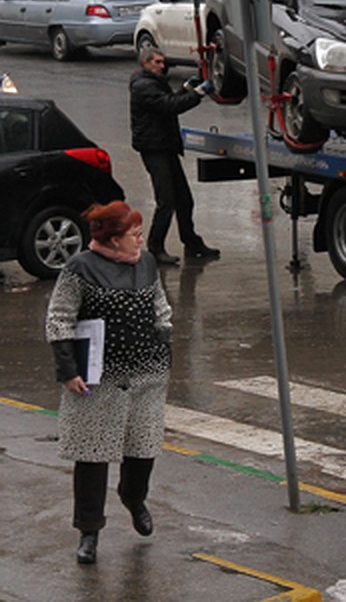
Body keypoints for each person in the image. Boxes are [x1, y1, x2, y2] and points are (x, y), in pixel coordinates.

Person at [45, 201, 172, 565]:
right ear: (114, 240)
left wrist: (164, 351)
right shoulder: (79, 269)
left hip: (146, 376)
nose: (141, 240)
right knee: (93, 458)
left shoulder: (146, 263)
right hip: (97, 381)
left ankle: (134, 498)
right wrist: (69, 371)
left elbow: (161, 310)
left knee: (143, 450)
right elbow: (59, 320)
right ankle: (89, 532)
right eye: (134, 235)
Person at [129, 46, 220, 265]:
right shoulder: (143, 86)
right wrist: (197, 94)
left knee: (184, 199)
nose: (163, 65)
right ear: (146, 63)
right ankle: (155, 247)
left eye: (163, 62)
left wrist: (186, 88)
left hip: (165, 147)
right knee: (167, 200)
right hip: (155, 149)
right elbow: (170, 106)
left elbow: (168, 99)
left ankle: (191, 242)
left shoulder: (151, 81)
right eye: (158, 62)